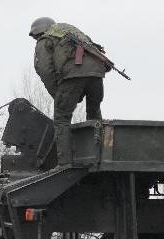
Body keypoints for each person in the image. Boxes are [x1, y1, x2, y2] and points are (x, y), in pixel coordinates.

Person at [30, 17, 110, 166]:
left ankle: (64, 164)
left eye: (35, 36)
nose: (36, 39)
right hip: (97, 74)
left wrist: (58, 94)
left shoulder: (45, 39)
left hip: (73, 75)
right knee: (94, 114)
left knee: (61, 119)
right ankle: (99, 158)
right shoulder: (73, 32)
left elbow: (45, 70)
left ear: (39, 32)